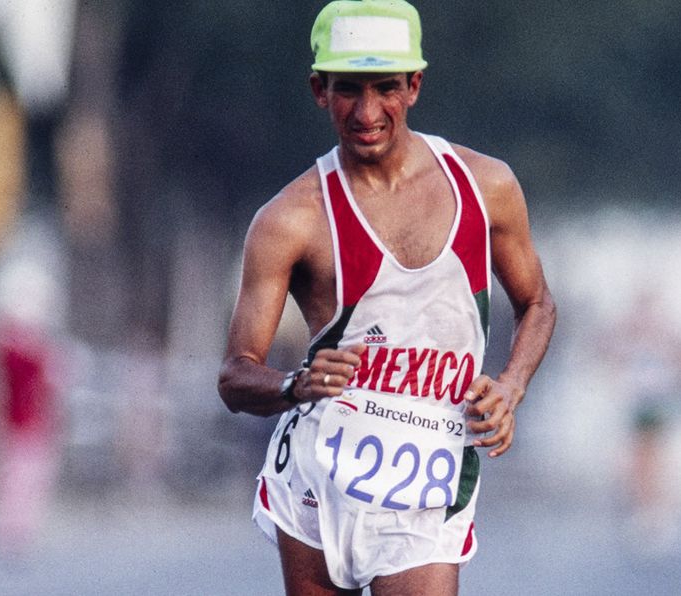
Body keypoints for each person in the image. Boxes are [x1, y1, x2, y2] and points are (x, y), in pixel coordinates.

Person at [218, 1, 555, 594]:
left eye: (386, 88)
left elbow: (537, 303)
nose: (368, 112)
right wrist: (295, 384)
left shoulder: (486, 187)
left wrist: (511, 386)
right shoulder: (290, 219)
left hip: (428, 484)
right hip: (318, 482)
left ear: (415, 86)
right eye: (348, 90)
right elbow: (235, 376)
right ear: (319, 90)